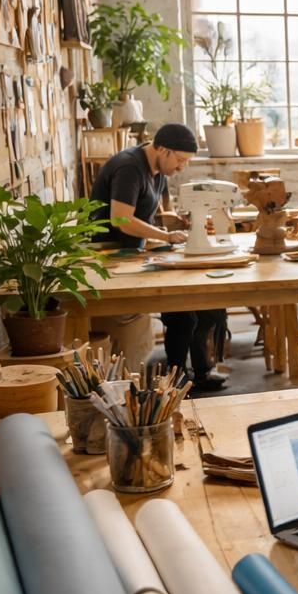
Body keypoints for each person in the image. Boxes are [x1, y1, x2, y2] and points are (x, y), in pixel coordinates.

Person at [88, 123, 227, 393]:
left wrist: (169, 220)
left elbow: (143, 212)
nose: (181, 167)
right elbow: (121, 220)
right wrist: (165, 237)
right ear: (162, 149)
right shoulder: (129, 167)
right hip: (111, 259)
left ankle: (193, 373)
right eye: (180, 160)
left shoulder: (156, 170)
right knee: (183, 313)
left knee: (203, 307)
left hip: (134, 254)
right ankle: (178, 379)